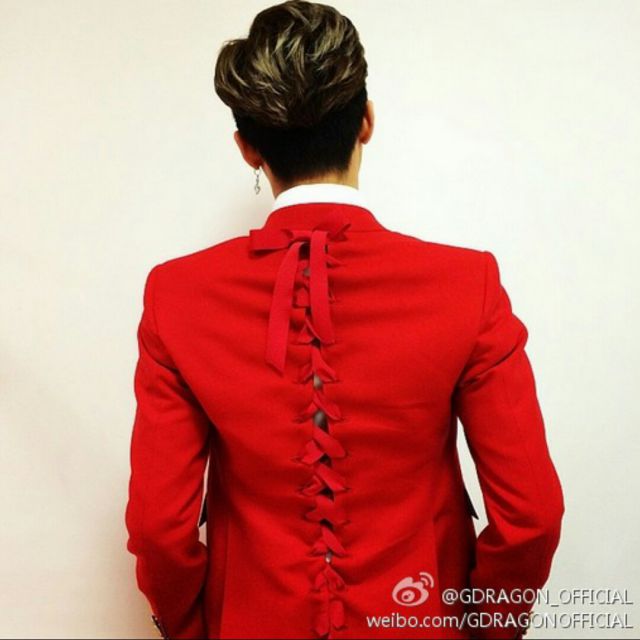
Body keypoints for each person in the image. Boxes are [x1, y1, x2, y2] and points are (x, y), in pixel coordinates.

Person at [124, 1, 564, 639]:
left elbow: (157, 530)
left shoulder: (177, 295)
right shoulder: (467, 285)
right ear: (366, 121)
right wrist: (489, 629)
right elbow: (532, 517)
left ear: (247, 148)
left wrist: (195, 629)